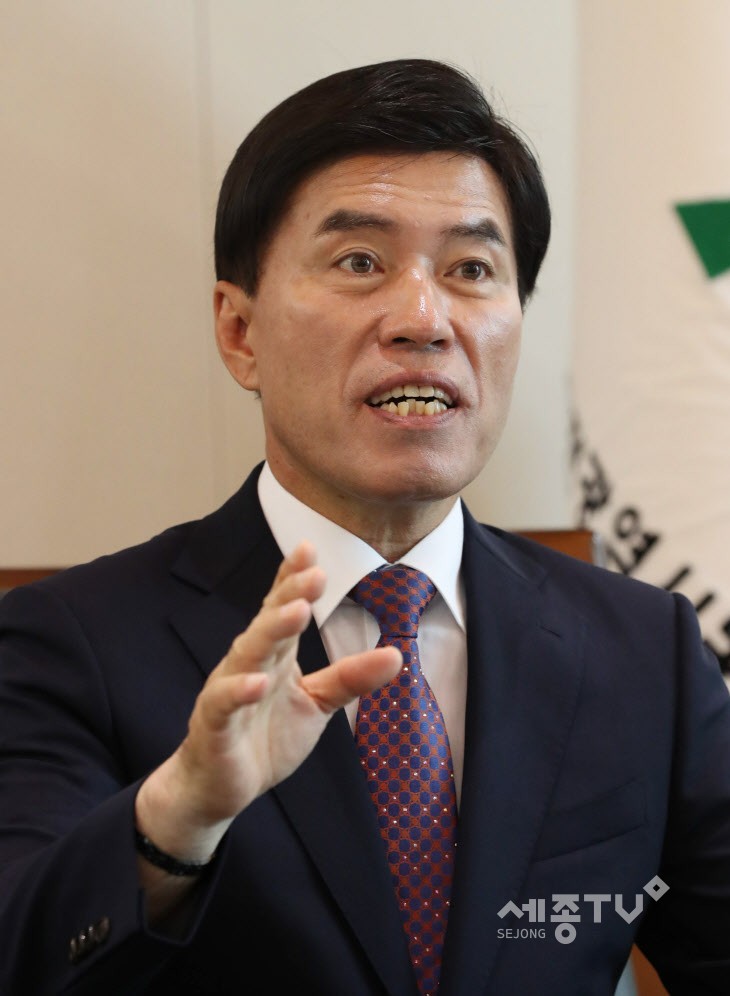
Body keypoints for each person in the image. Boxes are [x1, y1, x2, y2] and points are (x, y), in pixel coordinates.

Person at [1, 58, 729, 996]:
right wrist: (173, 822)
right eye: (359, 263)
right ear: (239, 332)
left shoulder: (642, 647)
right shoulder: (67, 644)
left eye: (471, 270)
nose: (423, 319)